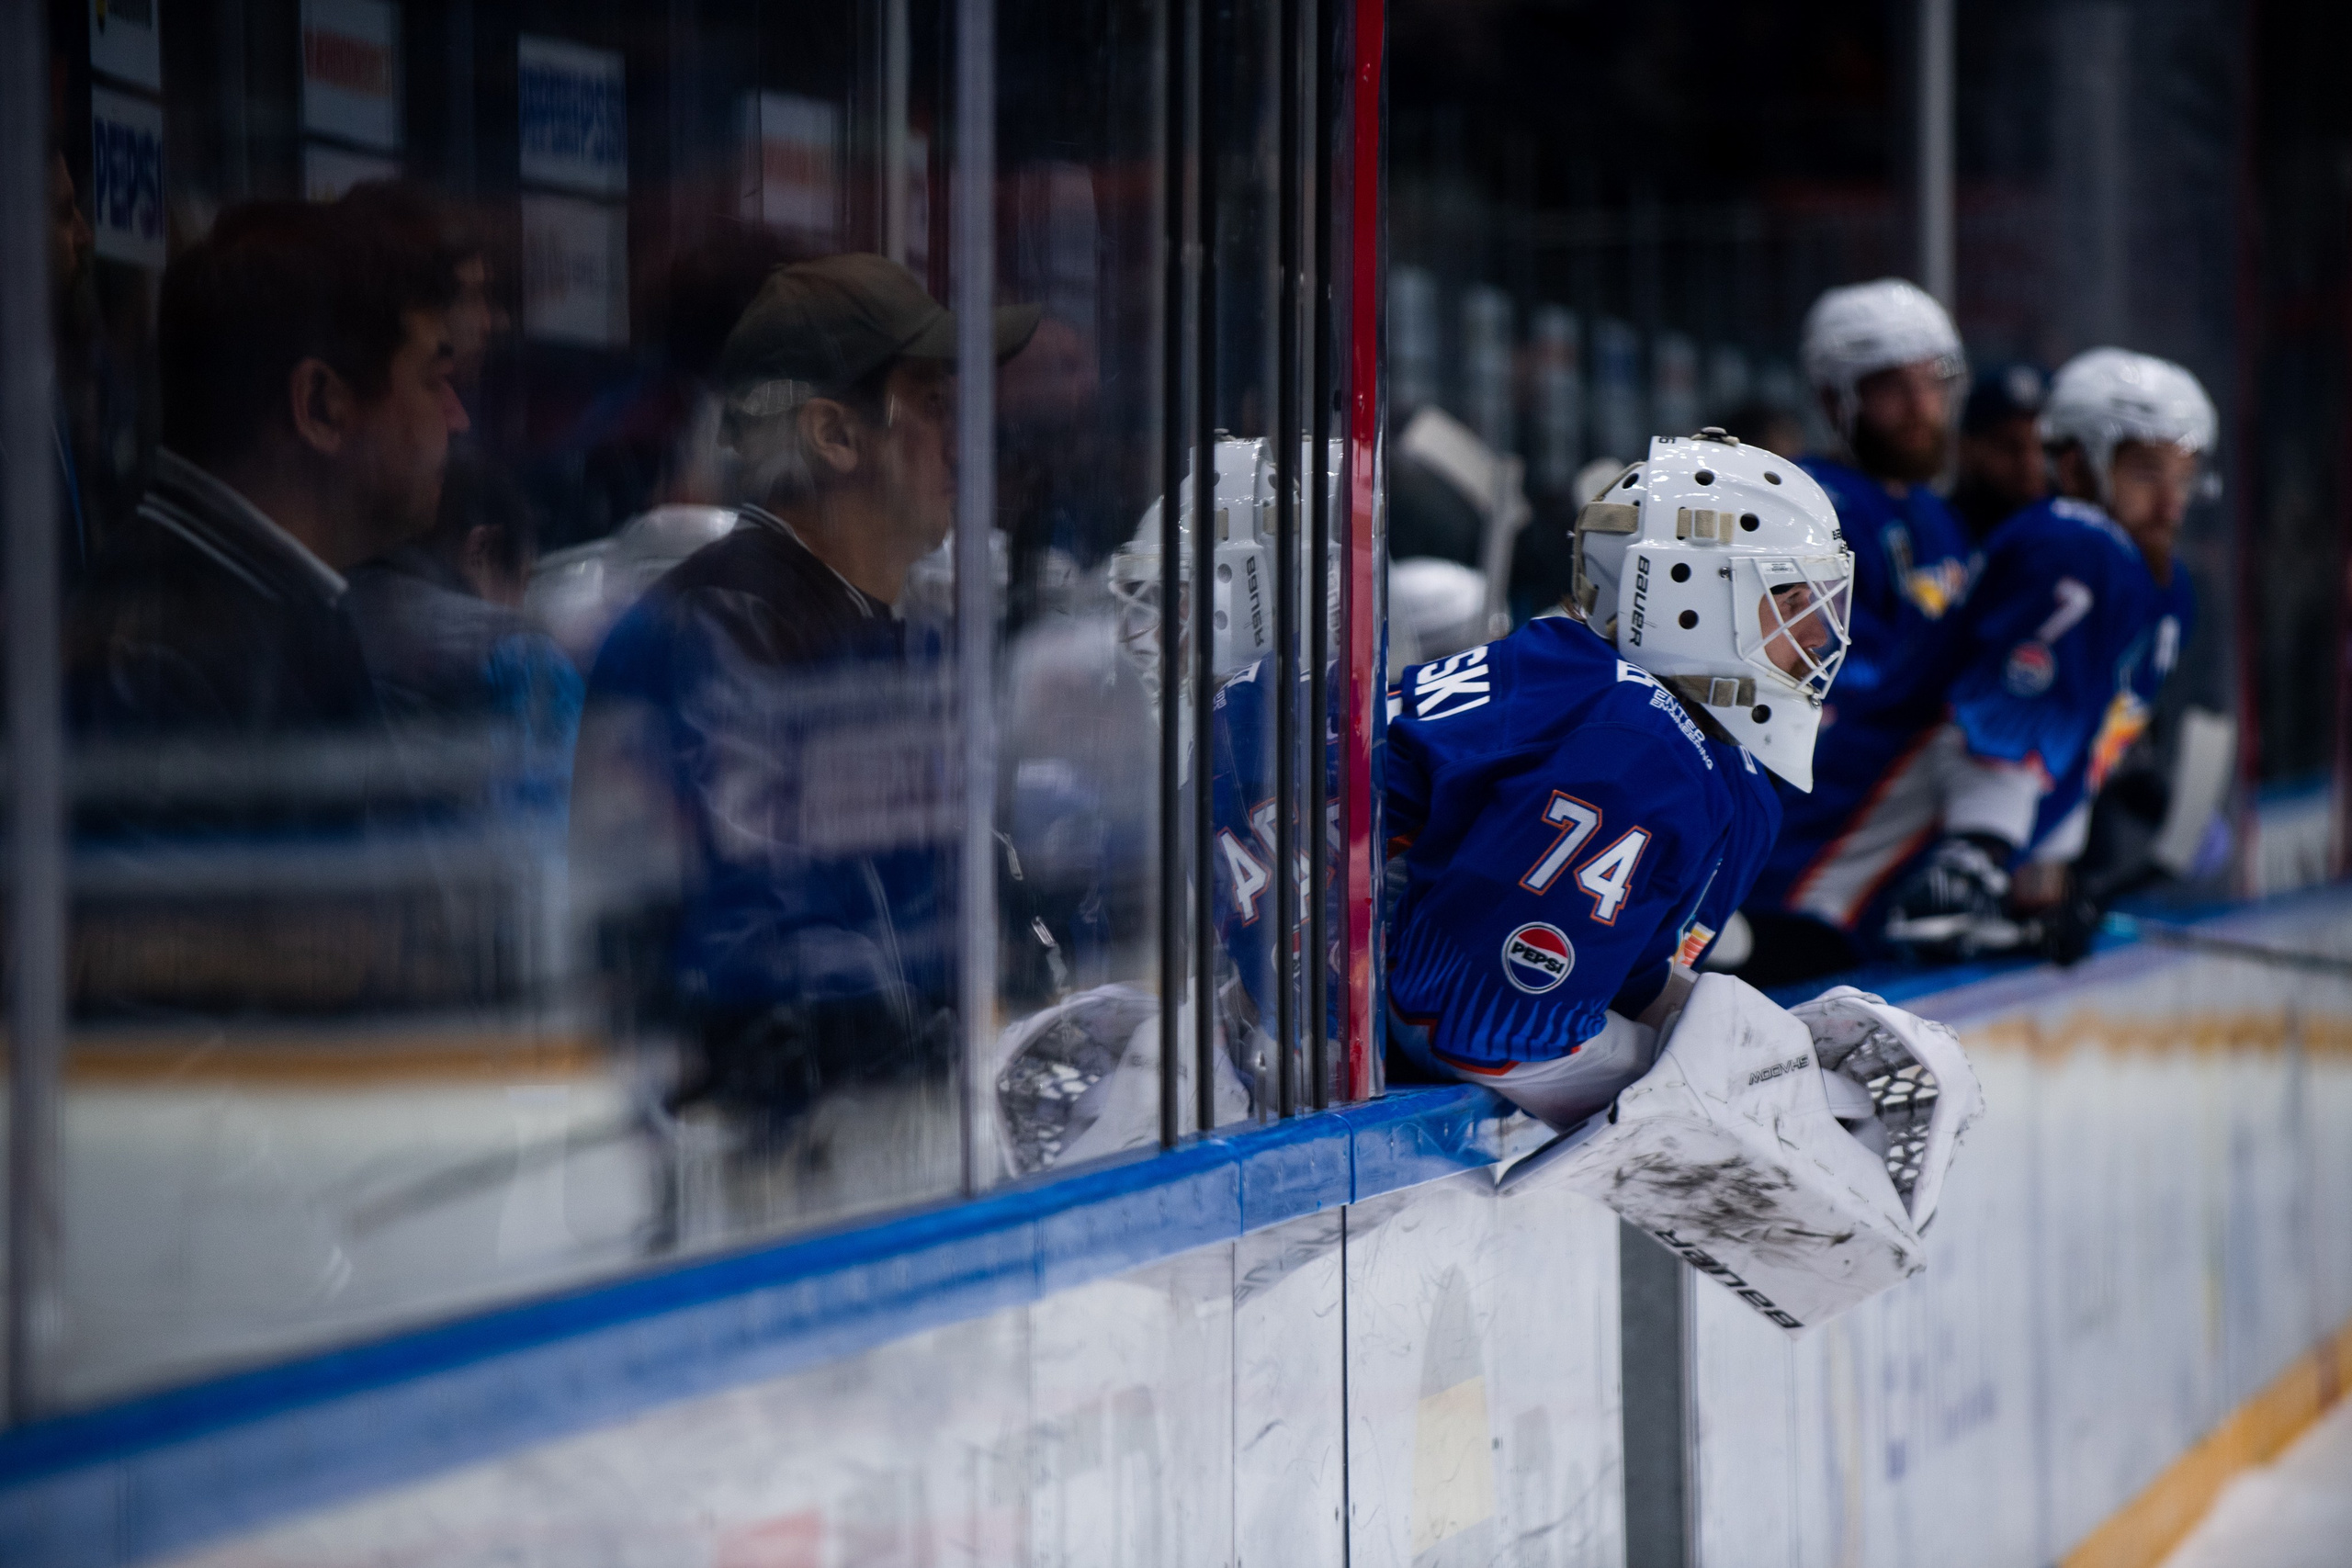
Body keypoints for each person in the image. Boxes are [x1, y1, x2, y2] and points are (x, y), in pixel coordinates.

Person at [576, 253, 1037, 1141]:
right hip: (770, 1187)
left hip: (886, 1155)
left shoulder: (890, 632)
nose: (964, 440)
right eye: (935, 408)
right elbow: (702, 963)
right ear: (835, 435)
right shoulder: (706, 638)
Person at [1385, 429, 1852, 1129]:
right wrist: (1722, 1095)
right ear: (1693, 592)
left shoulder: (1672, 734)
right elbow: (1480, 1021)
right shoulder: (1639, 744)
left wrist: (1770, 1051)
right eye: (1789, 600)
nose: (1818, 635)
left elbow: (1612, 973)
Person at [68, 198, 467, 741]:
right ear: (322, 406)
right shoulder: (160, 666)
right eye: (430, 379)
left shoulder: (279, 605)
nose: (457, 417)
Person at [1883, 349, 2211, 964]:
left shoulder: (2164, 590)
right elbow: (2006, 728)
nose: (2171, 504)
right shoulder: (2073, 545)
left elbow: (2076, 754)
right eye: (2146, 473)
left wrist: (2049, 888)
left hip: (1948, 871)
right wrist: (1977, 861)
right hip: (1872, 865)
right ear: (2077, 465)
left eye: (2183, 477)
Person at [1736, 280, 1976, 982]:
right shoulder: (1804, 509)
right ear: (1834, 397)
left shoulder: (1935, 516)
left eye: (1934, 384)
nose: (1921, 409)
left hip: (1886, 860)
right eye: (1892, 389)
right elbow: (1828, 691)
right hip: (1803, 861)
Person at [1950, 362, 2050, 542]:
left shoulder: (2076, 522)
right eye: (2011, 447)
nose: (2030, 463)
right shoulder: (1944, 529)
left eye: (2042, 445)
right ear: (1967, 448)